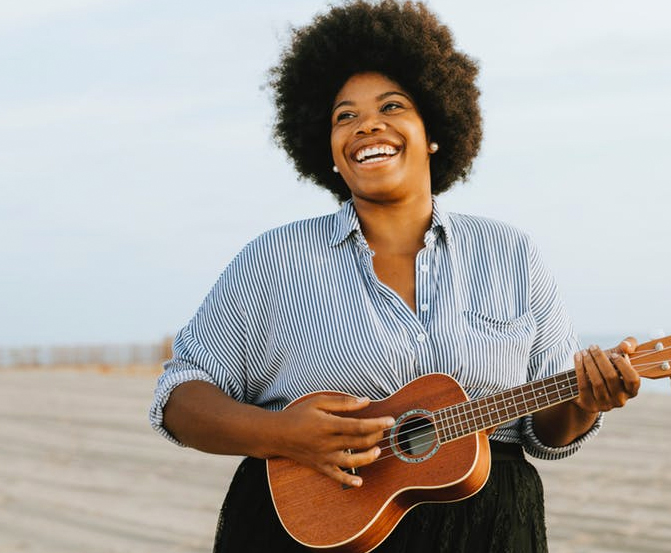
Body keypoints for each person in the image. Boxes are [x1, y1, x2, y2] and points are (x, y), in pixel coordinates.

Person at [149, 1, 640, 552]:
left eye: (392, 106)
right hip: (316, 533)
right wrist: (280, 433)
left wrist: (585, 401)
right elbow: (179, 398)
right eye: (344, 116)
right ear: (329, 153)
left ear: (435, 130)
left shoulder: (512, 255)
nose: (368, 125)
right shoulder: (274, 260)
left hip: (487, 531)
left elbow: (546, 432)